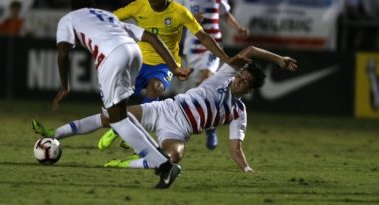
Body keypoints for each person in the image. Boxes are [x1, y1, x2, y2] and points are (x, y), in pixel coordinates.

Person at [32, 46, 298, 174]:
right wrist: (279, 59)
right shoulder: (223, 76)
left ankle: (126, 164)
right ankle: (55, 134)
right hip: (165, 109)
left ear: (249, 89)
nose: (239, 79)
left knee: (174, 157)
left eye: (245, 82)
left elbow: (235, 148)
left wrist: (248, 171)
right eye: (240, 75)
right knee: (109, 116)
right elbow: (249, 50)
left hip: (178, 130)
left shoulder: (238, 112)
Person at [33, 0, 194, 189]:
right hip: (135, 53)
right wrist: (174, 67)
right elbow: (151, 37)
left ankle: (163, 165)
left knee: (116, 120)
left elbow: (63, 53)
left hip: (112, 56)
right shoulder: (107, 16)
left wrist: (64, 86)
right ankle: (160, 158)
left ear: (73, 8)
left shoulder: (69, 18)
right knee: (119, 116)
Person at [96, 0, 249, 150]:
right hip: (138, 62)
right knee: (119, 96)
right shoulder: (138, 6)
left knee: (156, 87)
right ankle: (119, 126)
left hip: (165, 65)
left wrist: (226, 59)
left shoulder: (179, 12)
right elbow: (109, 19)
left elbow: (204, 37)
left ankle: (134, 130)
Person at [174, 0, 250, 150]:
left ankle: (210, 129)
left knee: (206, 79)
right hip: (192, 47)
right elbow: (173, 17)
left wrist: (238, 27)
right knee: (190, 91)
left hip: (213, 46)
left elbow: (225, 14)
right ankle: (196, 126)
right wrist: (190, 18)